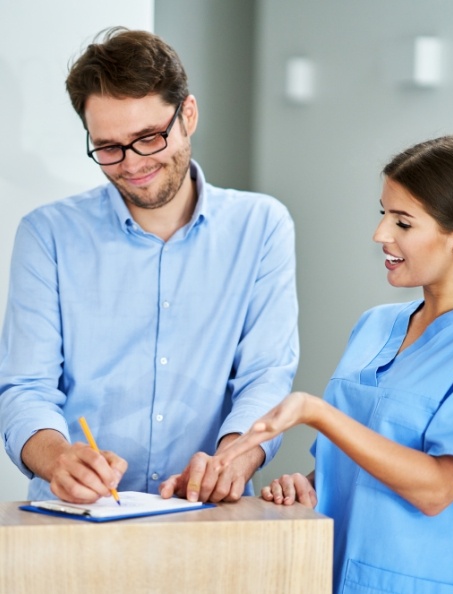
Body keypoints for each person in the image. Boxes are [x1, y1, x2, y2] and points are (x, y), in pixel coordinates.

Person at [215, 135, 453, 594]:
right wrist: (306, 485)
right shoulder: (374, 325)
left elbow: (437, 489)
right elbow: (357, 466)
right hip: (328, 576)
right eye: (382, 213)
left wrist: (317, 413)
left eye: (403, 222)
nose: (381, 234)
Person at [0, 27, 298, 505]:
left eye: (149, 138)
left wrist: (231, 461)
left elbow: (266, 377)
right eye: (109, 147)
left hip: (206, 513)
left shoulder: (261, 226)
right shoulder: (47, 235)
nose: (132, 163)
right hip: (79, 521)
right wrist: (57, 458)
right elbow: (25, 388)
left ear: (189, 115)